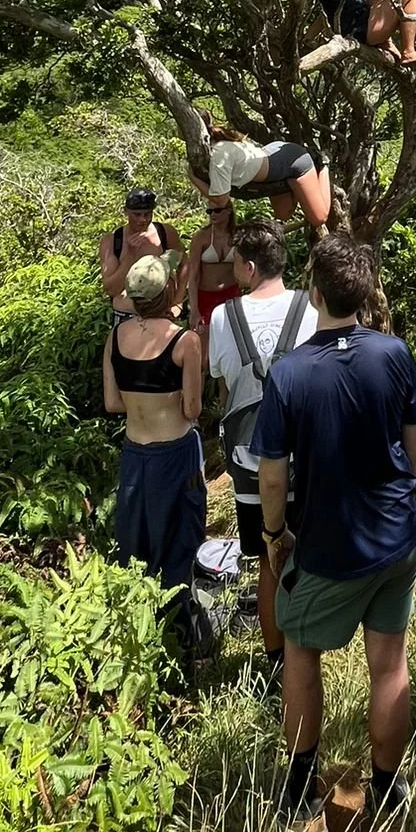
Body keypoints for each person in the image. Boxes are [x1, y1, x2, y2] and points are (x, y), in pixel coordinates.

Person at [252, 233, 416, 832]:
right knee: (390, 663)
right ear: (365, 292)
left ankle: (302, 803)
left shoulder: (291, 372)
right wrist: (408, 498)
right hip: (395, 538)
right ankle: (387, 792)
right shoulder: (394, 354)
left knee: (301, 658)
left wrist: (276, 536)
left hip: (327, 547)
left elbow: (272, 473)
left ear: (315, 292)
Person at [208, 219, 317, 678]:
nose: (232, 269)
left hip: (249, 464)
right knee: (310, 556)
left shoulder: (222, 317)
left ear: (250, 267)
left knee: (269, 563)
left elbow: (222, 379)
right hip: (307, 461)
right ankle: (309, 652)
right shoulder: (311, 308)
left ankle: (277, 664)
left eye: (235, 262)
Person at [101, 251, 206, 657]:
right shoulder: (185, 341)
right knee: (179, 543)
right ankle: (182, 639)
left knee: (135, 543)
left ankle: (135, 635)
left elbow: (112, 402)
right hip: (175, 453)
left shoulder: (114, 339)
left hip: (134, 454)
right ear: (168, 292)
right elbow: (192, 410)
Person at [190, 126, 333, 237]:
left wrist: (193, 178)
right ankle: (299, 187)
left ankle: (323, 162)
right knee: (283, 214)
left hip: (292, 161)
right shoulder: (213, 152)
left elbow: (221, 200)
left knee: (319, 218)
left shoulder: (219, 155)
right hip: (273, 164)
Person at [98, 189, 184, 323]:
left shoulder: (165, 233)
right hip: (126, 315)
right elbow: (111, 289)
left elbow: (184, 264)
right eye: (137, 215)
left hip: (161, 314)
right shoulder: (113, 241)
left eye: (147, 214)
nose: (143, 220)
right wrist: (130, 257)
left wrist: (178, 301)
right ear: (126, 212)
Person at [184, 195, 241, 330]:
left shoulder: (238, 235)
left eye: (217, 211)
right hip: (205, 295)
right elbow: (193, 275)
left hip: (231, 293)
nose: (212, 215)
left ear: (228, 211)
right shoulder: (201, 237)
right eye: (209, 211)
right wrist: (194, 309)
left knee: (232, 336)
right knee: (204, 338)